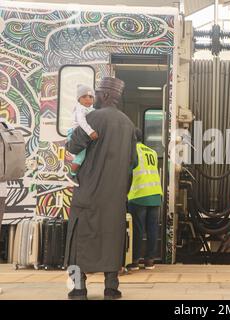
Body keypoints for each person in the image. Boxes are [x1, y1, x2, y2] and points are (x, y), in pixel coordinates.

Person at [64, 77, 137, 300]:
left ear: (105, 95)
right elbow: (132, 162)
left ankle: (78, 289)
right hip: (115, 196)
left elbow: (73, 145)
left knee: (77, 241)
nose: (93, 97)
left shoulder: (92, 118)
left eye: (96, 93)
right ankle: (111, 289)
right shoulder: (128, 124)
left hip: (88, 193)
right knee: (112, 238)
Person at [126, 128, 163, 271]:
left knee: (138, 229)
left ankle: (135, 260)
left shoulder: (132, 152)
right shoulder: (152, 152)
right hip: (155, 194)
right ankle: (149, 261)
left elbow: (128, 172)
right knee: (152, 228)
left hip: (139, 194)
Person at [65, 84, 98, 187]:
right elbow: (82, 122)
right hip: (75, 135)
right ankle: (71, 174)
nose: (88, 99)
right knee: (80, 156)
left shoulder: (89, 109)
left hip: (81, 136)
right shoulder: (80, 109)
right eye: (84, 97)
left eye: (91, 97)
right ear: (78, 99)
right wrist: (91, 132)